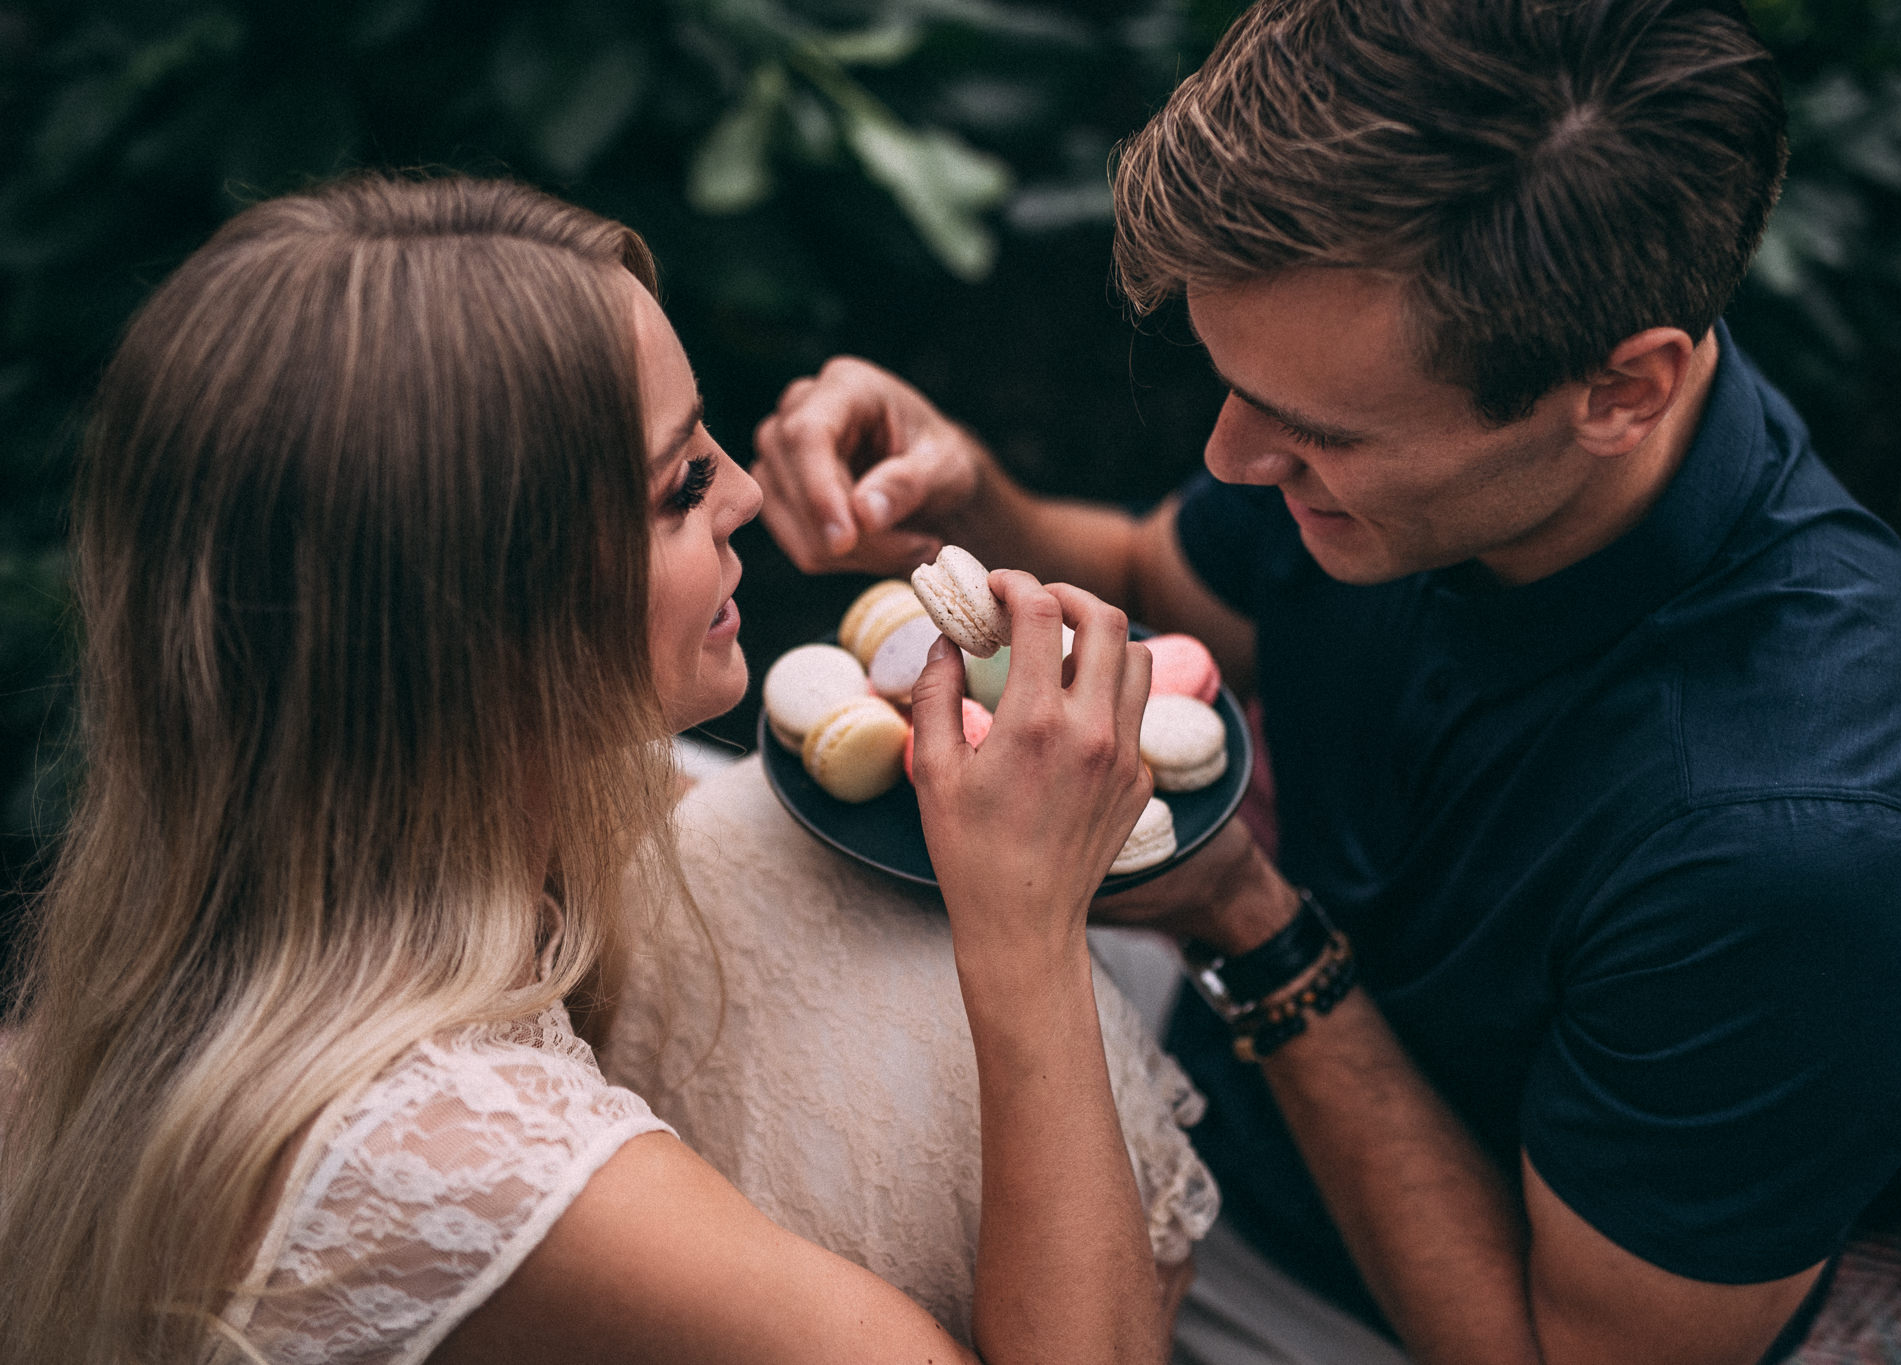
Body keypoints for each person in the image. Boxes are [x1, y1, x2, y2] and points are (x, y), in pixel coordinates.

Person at [748, 2, 1901, 1362]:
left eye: (1313, 429)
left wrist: (1251, 924)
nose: (1230, 458)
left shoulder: (1798, 850)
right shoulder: (1418, 439)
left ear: (1623, 392)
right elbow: (1168, 588)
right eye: (1228, 383)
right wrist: (966, 502)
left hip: (1366, 1300)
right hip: (1207, 1039)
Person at [0, 173, 1178, 1365]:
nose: (751, 494)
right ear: (476, 620)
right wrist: (1024, 933)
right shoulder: (477, 1170)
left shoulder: (276, 880)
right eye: (679, 486)